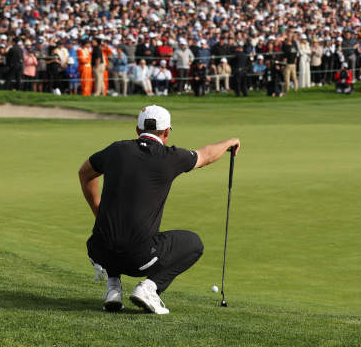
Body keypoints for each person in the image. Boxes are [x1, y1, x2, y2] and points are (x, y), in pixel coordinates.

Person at [79, 105, 240, 314]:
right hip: (139, 260)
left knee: (113, 235)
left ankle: (113, 288)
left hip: (99, 252)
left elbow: (85, 174)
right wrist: (230, 142)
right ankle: (149, 288)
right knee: (194, 244)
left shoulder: (116, 150)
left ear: (137, 130)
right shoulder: (170, 157)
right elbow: (206, 155)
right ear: (166, 132)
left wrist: (97, 209)